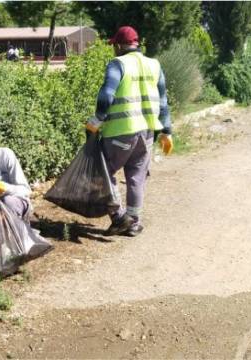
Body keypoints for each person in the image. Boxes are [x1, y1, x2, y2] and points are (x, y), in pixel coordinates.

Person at [85, 26, 173, 237]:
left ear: (118, 45)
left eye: (114, 46)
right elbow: (163, 102)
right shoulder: (155, 65)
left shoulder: (118, 64)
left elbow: (107, 95)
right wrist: (167, 131)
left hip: (121, 132)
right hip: (147, 133)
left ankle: (119, 218)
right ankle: (133, 223)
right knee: (136, 178)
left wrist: (96, 120)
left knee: (102, 173)